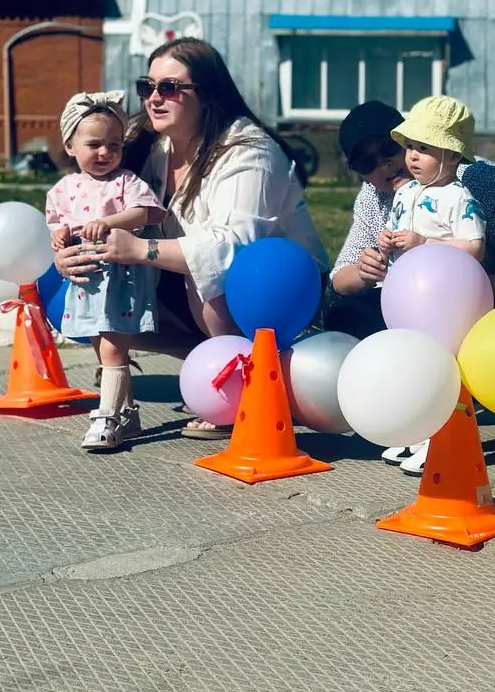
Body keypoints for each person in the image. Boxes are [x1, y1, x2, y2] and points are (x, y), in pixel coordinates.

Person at [54, 38, 328, 441]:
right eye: (147, 87)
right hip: (211, 293)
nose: (153, 99)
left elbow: (234, 245)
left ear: (208, 94)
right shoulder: (154, 146)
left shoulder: (249, 149)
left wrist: (140, 250)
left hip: (281, 295)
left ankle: (242, 387)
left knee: (206, 273)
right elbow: (87, 196)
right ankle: (205, 361)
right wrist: (66, 252)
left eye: (170, 88)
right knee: (77, 288)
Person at [325, 99, 495, 472]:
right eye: (366, 162)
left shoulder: (478, 182)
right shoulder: (377, 198)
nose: (385, 165)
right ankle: (423, 412)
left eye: (392, 149)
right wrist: (365, 268)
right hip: (432, 311)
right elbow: (340, 279)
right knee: (348, 311)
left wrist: (472, 290)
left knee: (493, 328)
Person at [46, 91, 166, 451]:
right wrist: (61, 236)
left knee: (114, 346)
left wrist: (108, 221)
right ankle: (127, 413)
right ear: (70, 145)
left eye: (114, 144)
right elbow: (56, 223)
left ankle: (107, 417)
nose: (105, 153)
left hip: (122, 279)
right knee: (102, 346)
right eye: (94, 144)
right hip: (88, 280)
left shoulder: (126, 182)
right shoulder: (64, 189)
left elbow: (147, 212)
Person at [380, 96, 485, 265]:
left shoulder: (458, 197)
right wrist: (386, 239)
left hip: (441, 284)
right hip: (403, 282)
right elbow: (394, 226)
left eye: (423, 148)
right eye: (409, 146)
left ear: (454, 155)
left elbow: (475, 249)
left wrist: (425, 243)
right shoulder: (405, 191)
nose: (413, 156)